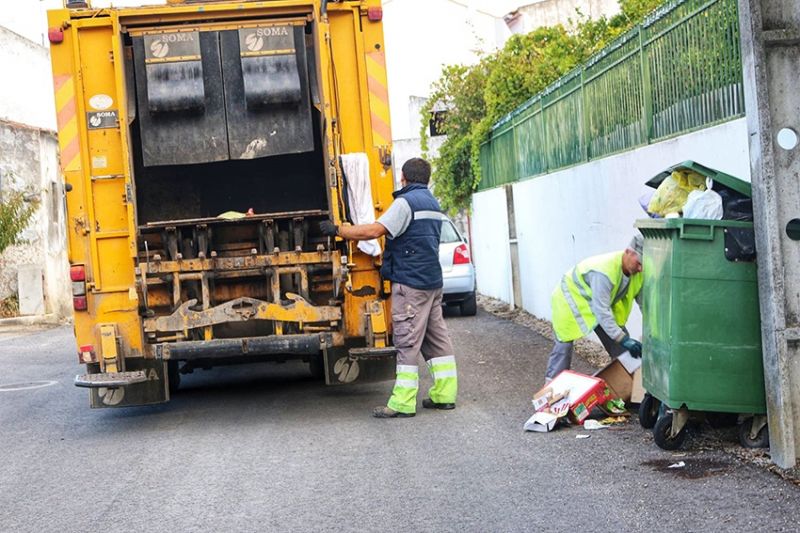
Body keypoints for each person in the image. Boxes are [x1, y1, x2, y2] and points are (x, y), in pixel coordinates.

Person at [320, 157, 458, 418]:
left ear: (404, 178)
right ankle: (445, 394)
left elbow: (374, 231)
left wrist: (338, 229)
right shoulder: (433, 202)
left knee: (406, 341)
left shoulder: (405, 203)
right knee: (437, 339)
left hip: (410, 283)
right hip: (432, 282)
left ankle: (402, 403)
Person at [545, 235, 644, 382]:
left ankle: (629, 390)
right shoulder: (604, 272)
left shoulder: (638, 272)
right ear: (628, 252)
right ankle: (550, 394)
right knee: (563, 349)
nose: (641, 268)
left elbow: (645, 306)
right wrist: (624, 339)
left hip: (598, 305)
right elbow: (601, 311)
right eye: (639, 263)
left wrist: (653, 335)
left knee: (622, 350)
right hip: (569, 301)